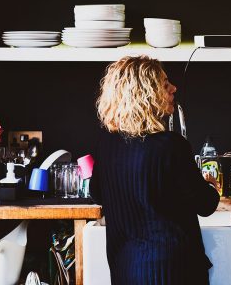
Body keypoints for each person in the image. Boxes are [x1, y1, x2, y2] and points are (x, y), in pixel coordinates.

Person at [90, 55, 221, 285]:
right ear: (144, 94)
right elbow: (206, 205)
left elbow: (97, 193)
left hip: (125, 270)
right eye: (164, 84)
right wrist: (210, 186)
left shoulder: (105, 143)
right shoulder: (171, 145)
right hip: (172, 271)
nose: (173, 88)